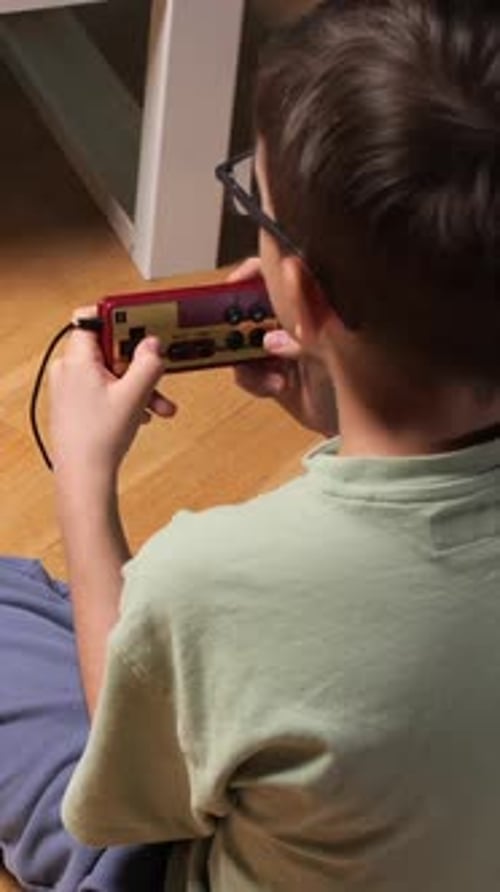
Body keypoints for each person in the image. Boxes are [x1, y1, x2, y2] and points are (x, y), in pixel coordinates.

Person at [2, 0, 500, 889]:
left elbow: (125, 793)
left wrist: (84, 473)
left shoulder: (218, 580)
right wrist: (342, 406)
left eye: (253, 205)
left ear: (301, 297)